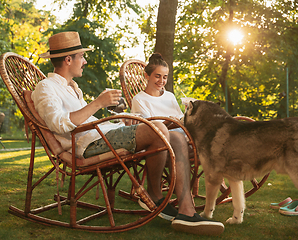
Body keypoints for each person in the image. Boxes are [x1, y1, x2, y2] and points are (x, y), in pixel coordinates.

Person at [31, 31, 224, 235]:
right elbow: (58, 124)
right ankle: (153, 194)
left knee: (175, 136)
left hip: (103, 134)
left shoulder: (72, 88)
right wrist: (98, 103)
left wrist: (121, 119)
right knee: (157, 127)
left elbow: (86, 120)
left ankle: (186, 211)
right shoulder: (46, 87)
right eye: (82, 57)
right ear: (68, 60)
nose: (85, 61)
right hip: (89, 145)